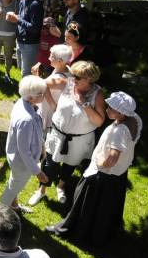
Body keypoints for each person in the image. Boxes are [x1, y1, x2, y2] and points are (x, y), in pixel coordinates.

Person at [46, 91, 142, 246]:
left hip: (102, 175)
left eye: (111, 108)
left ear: (121, 112)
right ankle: (98, 235)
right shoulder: (133, 120)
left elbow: (111, 159)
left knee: (83, 203)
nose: (106, 109)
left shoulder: (119, 132)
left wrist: (99, 164)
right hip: (117, 176)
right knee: (104, 209)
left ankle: (67, 229)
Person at [28, 61, 105, 206]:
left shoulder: (97, 94)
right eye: (73, 75)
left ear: (89, 79)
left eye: (77, 77)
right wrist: (51, 103)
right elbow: (42, 84)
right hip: (57, 134)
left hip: (79, 140)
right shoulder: (67, 83)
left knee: (70, 165)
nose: (73, 78)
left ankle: (60, 187)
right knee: (50, 164)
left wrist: (84, 103)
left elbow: (99, 121)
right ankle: (41, 190)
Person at [0, 76, 49, 213]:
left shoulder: (22, 102)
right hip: (22, 163)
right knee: (13, 188)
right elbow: (24, 150)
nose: (44, 95)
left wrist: (42, 145)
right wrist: (37, 172)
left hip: (15, 157)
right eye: (41, 93)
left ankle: (14, 206)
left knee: (14, 184)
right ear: (31, 97)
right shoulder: (26, 120)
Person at [6, 0, 43, 77]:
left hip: (30, 44)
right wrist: (14, 16)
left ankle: (27, 92)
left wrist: (17, 20)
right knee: (21, 69)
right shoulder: (22, 1)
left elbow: (35, 28)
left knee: (27, 74)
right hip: (20, 41)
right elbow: (22, 19)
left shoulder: (35, 5)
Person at [33, 45, 73, 133]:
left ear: (60, 61)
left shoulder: (57, 79)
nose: (49, 58)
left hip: (49, 111)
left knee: (42, 134)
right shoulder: (68, 69)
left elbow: (39, 85)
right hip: (54, 108)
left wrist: (35, 76)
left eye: (52, 56)